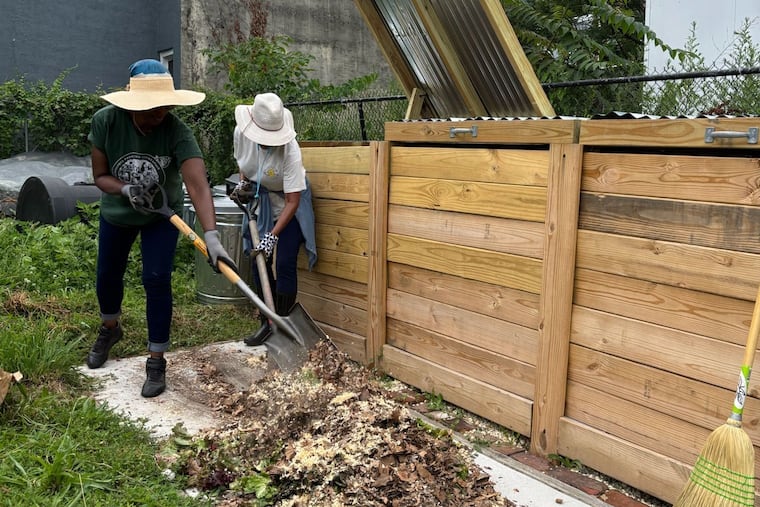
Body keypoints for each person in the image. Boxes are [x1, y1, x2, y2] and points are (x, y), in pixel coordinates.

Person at [86, 59, 236, 397]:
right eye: (152, 110)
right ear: (133, 106)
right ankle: (110, 328)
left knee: (156, 279)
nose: (160, 116)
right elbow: (100, 176)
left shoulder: (176, 130)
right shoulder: (105, 123)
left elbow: (197, 185)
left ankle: (156, 359)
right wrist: (125, 190)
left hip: (162, 216)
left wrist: (211, 235)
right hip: (118, 212)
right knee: (107, 274)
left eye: (165, 109)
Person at [229, 92, 317, 346]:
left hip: (291, 203)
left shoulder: (290, 150)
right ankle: (267, 322)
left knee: (286, 259)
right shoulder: (241, 133)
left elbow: (293, 201)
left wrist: (272, 235)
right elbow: (244, 163)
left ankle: (284, 321)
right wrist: (244, 184)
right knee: (258, 258)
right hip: (262, 200)